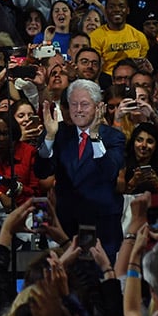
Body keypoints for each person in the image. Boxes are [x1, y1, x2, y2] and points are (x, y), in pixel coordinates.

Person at [37, 79, 125, 252]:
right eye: (73, 104)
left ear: (99, 107)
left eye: (84, 104)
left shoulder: (113, 137)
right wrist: (49, 138)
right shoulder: (57, 132)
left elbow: (109, 172)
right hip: (67, 226)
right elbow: (41, 171)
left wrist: (94, 136)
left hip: (102, 226)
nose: (78, 110)